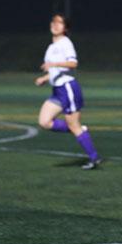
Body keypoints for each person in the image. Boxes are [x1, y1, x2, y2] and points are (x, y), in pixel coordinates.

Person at [34, 14, 102, 170]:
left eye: (60, 23)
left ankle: (94, 158)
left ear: (65, 28)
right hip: (57, 91)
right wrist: (45, 78)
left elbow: (73, 63)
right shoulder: (51, 47)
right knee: (44, 122)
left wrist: (54, 64)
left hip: (68, 88)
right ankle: (78, 129)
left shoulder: (66, 43)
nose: (55, 25)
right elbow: (55, 69)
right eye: (54, 22)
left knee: (73, 125)